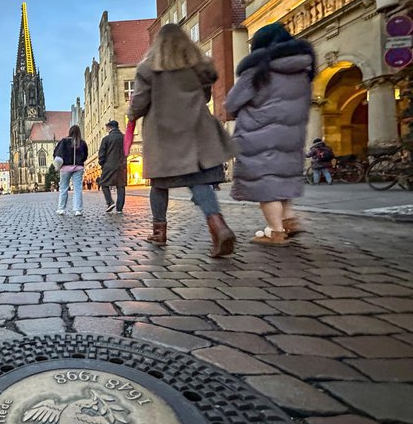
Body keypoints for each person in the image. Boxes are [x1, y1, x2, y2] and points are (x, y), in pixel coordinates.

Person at [127, 24, 236, 257]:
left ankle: (159, 231)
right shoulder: (198, 66)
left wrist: (132, 114)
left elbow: (140, 103)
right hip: (196, 129)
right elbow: (206, 95)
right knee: (199, 182)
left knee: (158, 185)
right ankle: (219, 226)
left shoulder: (148, 68)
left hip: (164, 134)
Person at [225, 23, 315, 245]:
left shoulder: (258, 70)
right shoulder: (302, 70)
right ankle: (289, 219)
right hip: (291, 136)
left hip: (259, 135)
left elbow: (232, 102)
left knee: (266, 186)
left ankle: (276, 232)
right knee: (283, 180)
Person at [53, 125, 88, 216]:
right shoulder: (82, 143)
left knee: (63, 189)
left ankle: (61, 209)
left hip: (65, 168)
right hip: (78, 167)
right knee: (77, 189)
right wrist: (79, 162)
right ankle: (78, 210)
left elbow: (56, 153)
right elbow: (85, 156)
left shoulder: (64, 141)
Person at [98, 120, 127, 214]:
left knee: (103, 183)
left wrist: (102, 164)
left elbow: (101, 154)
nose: (106, 129)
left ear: (110, 127)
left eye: (107, 127)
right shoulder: (124, 137)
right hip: (121, 165)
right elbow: (127, 151)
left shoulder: (106, 139)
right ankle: (119, 208)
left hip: (109, 165)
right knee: (121, 186)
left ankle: (110, 201)